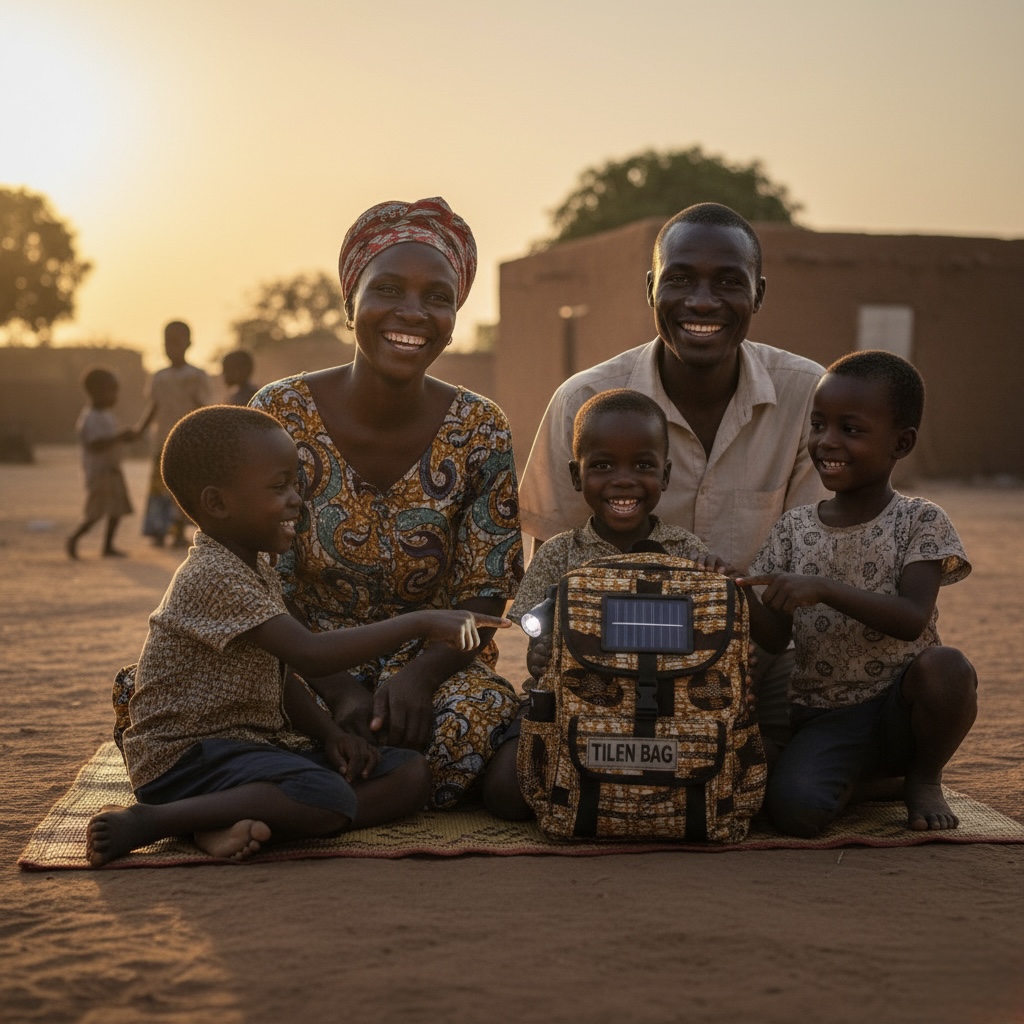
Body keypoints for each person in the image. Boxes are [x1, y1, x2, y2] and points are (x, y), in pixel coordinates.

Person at [87, 406, 511, 867]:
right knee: (321, 790)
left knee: (408, 773)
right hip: (186, 759)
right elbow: (310, 656)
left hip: (248, 750)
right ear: (217, 503)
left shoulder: (255, 566)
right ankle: (154, 820)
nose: (296, 501)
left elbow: (282, 676)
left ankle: (222, 824)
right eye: (278, 487)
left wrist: (330, 734)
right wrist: (422, 621)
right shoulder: (213, 575)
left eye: (296, 485)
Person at [518, 202, 827, 752]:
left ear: (758, 292)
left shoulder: (806, 396)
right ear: (650, 288)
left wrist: (734, 662)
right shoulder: (584, 402)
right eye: (679, 279)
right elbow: (557, 572)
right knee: (532, 781)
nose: (702, 301)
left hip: (762, 656)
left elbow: (805, 570)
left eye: (728, 282)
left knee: (783, 785)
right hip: (608, 660)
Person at [250, 197, 524, 811]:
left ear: (454, 315)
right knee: (189, 694)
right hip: (301, 664)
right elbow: (256, 580)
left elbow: (485, 592)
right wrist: (341, 690)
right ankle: (376, 786)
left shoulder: (480, 429)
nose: (413, 312)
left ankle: (283, 794)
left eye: (437, 297)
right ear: (351, 303)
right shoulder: (279, 413)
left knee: (476, 717)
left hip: (429, 672)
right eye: (389, 289)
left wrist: (419, 678)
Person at [736, 351, 977, 836]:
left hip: (903, 709)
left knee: (947, 667)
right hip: (825, 715)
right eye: (819, 424)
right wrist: (738, 590)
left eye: (851, 429)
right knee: (795, 814)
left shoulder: (919, 520)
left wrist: (823, 589)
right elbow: (773, 632)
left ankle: (923, 779)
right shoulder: (794, 529)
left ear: (901, 443)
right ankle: (873, 785)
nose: (827, 441)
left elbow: (912, 617)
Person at [486, 388, 722, 819]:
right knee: (504, 791)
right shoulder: (560, 554)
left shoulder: (685, 552)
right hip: (566, 706)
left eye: (643, 465)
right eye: (602, 465)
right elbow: (530, 625)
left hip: (661, 709)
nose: (624, 479)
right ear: (576, 477)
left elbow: (706, 637)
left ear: (666, 476)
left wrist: (709, 580)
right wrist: (544, 650)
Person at [141, 320, 212, 547]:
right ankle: (159, 530)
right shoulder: (159, 376)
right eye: (167, 342)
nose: (171, 347)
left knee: (183, 488)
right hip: (162, 440)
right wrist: (139, 429)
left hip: (187, 442)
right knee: (158, 488)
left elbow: (204, 407)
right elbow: (153, 407)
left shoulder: (196, 375)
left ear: (189, 343)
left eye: (177, 342)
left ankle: (179, 531)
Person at [66, 367, 141, 560]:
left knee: (116, 509)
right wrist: (119, 438)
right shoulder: (90, 418)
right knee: (96, 511)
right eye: (112, 391)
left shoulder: (107, 415)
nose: (115, 396)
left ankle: (108, 546)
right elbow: (95, 444)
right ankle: (75, 537)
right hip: (100, 471)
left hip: (113, 469)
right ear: (97, 392)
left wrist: (125, 437)